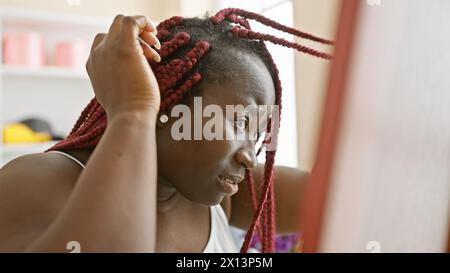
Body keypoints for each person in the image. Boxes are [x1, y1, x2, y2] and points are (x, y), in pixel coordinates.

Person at [0, 8, 332, 253]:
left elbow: (347, 197)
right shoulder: (39, 180)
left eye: (259, 134)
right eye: (240, 122)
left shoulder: (217, 198)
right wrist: (131, 109)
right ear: (165, 106)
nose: (249, 155)